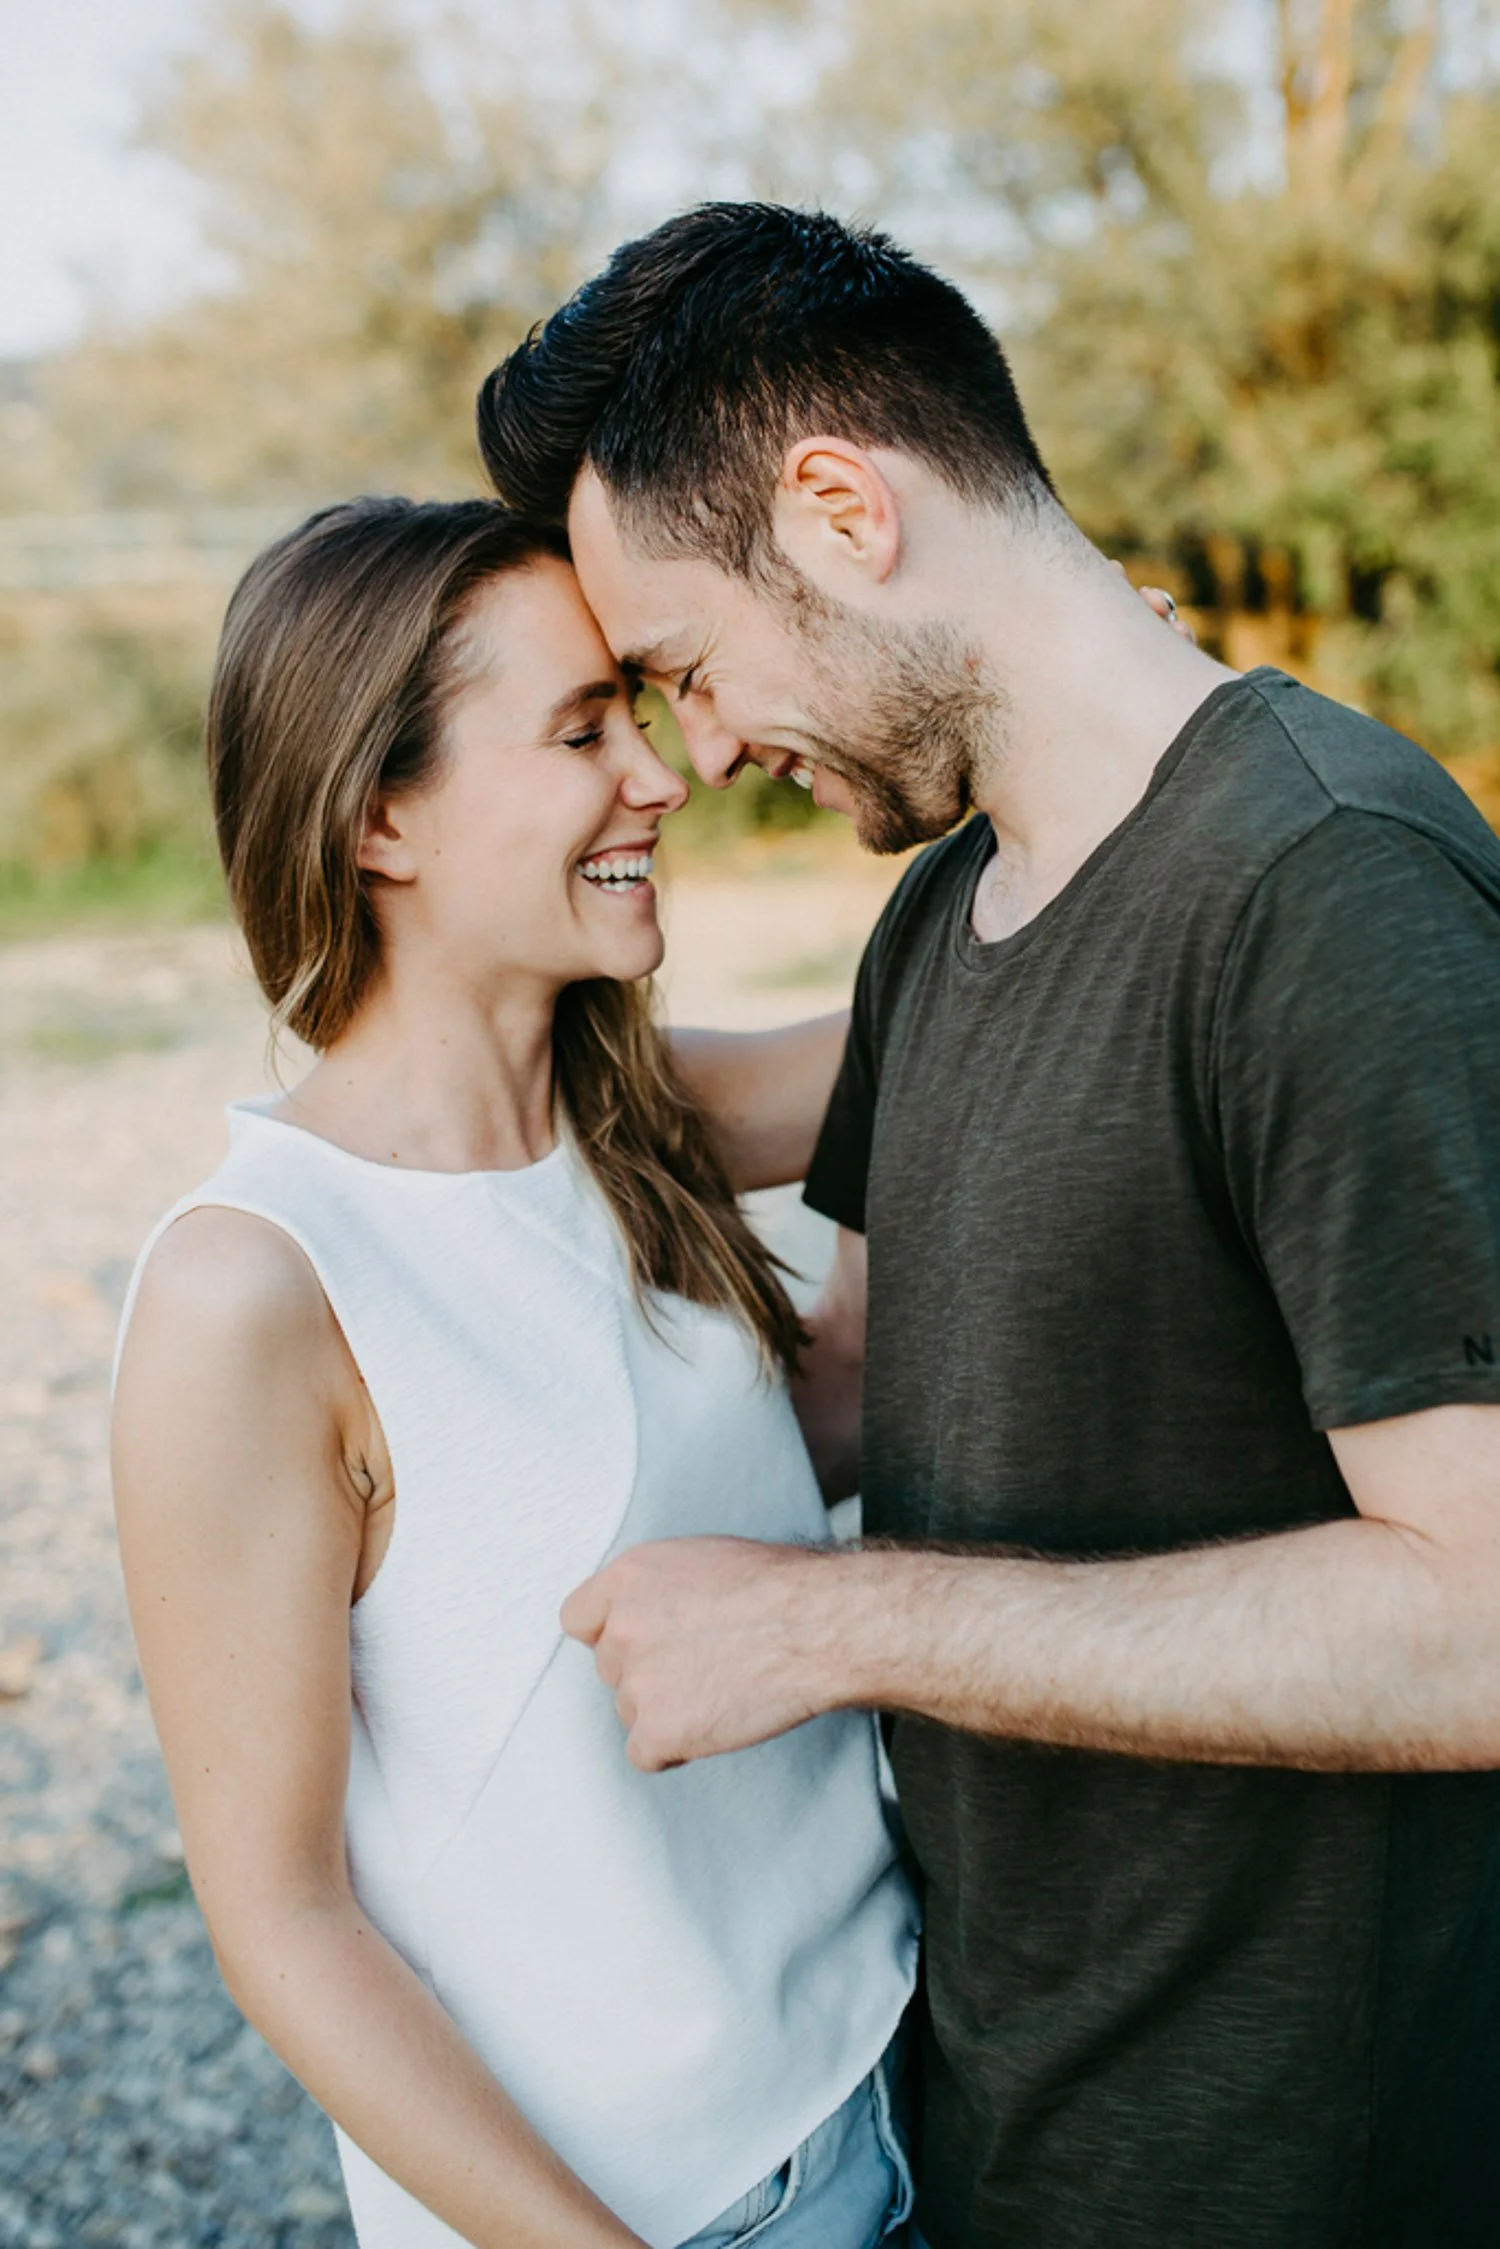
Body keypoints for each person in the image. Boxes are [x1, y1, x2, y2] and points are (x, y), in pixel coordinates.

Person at [476, 203, 1500, 2248]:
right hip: (1009, 2104)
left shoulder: (1328, 885)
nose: (709, 750)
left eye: (683, 667)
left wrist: (827, 1619)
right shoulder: (953, 903)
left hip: (1295, 2161)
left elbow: (1482, 1618)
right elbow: (866, 1382)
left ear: (843, 508)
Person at [110, 496, 920, 2249]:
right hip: (682, 2214)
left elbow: (951, 1036)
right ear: (378, 814)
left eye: (636, 709)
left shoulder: (639, 1121)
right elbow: (283, 1919)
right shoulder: (252, 1290)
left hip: (905, 2062)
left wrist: (1044, 735)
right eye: (581, 732)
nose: (659, 775)